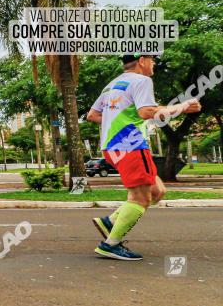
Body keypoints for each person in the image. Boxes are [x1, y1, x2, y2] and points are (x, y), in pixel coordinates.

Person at [86, 54, 201, 260]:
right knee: (142, 198)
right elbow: (147, 112)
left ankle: (111, 222)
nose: (154, 63)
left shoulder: (111, 85)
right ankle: (110, 244)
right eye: (152, 59)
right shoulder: (142, 80)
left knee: (158, 191)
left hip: (111, 147)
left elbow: (92, 115)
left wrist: (118, 120)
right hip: (130, 146)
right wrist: (183, 106)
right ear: (142, 60)